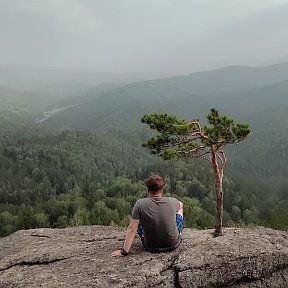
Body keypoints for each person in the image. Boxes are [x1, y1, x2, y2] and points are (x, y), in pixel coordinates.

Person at [111, 175, 183, 257]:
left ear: (147, 189)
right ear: (162, 189)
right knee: (178, 211)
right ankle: (175, 232)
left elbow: (132, 229)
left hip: (150, 246)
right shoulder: (172, 201)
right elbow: (181, 205)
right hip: (173, 245)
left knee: (137, 221)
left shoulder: (140, 204)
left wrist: (124, 252)